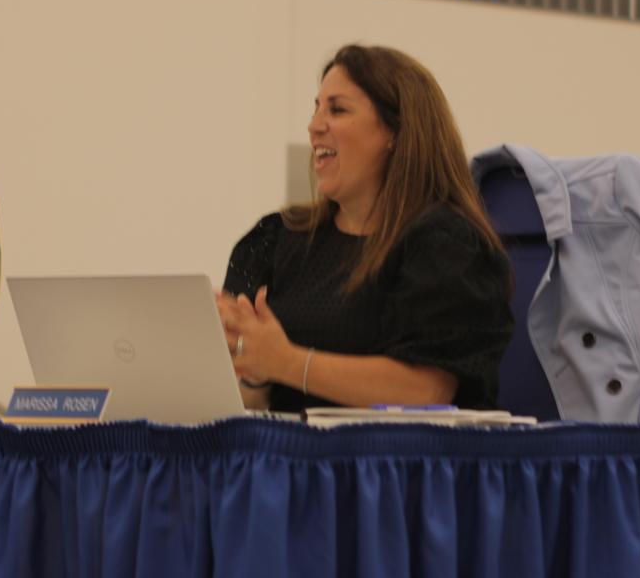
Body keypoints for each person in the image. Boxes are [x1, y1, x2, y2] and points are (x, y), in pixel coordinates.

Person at [219, 44, 513, 413]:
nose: (314, 126)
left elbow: (425, 391)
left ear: (395, 132)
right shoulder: (276, 239)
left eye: (337, 109)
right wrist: (252, 367)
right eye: (316, 108)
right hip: (286, 461)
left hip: (394, 466)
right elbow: (246, 398)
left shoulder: (445, 246)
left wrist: (287, 362)